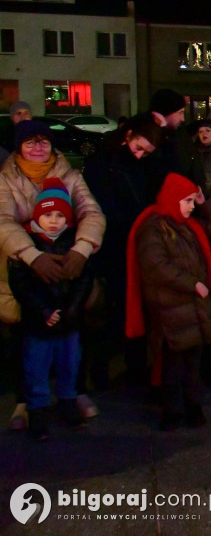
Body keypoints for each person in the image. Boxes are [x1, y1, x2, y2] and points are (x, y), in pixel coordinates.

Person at [1, 121, 106, 430]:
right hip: (21, 265)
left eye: (43, 142)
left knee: (73, 330)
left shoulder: (69, 176)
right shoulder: (6, 179)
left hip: (66, 264)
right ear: (19, 146)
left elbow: (91, 212)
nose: (37, 147)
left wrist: (82, 248)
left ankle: (74, 393)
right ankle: (27, 400)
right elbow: (3, 221)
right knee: (24, 334)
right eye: (30, 142)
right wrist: (31, 256)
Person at [126, 174, 211, 430]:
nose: (192, 206)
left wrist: (206, 202)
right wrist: (192, 283)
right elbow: (156, 266)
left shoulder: (186, 224)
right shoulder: (154, 227)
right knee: (173, 365)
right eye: (188, 201)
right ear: (174, 199)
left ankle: (192, 408)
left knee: (192, 363)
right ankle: (174, 411)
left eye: (193, 201)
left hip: (190, 308)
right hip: (171, 308)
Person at [82, 113, 166, 391]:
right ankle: (101, 369)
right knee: (112, 310)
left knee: (136, 307)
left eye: (147, 152)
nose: (141, 155)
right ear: (128, 135)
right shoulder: (102, 162)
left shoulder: (145, 165)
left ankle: (134, 366)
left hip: (137, 242)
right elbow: (102, 205)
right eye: (139, 148)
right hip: (114, 245)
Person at [8, 179, 96, 440]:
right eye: (48, 214)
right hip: (38, 324)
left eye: (60, 215)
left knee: (70, 364)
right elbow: (21, 286)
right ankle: (37, 411)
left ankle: (68, 403)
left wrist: (72, 309)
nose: (54, 220)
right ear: (38, 215)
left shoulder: (74, 243)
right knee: (36, 368)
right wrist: (43, 310)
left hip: (68, 322)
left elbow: (83, 279)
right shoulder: (27, 245)